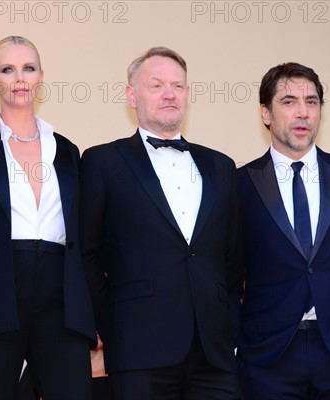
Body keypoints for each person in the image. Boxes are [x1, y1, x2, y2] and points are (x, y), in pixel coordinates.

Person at [80, 47, 242, 400]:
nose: (170, 93)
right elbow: (86, 253)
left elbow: (232, 257)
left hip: (214, 352)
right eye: (156, 85)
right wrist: (111, 321)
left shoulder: (222, 167)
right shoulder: (102, 162)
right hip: (137, 345)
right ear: (131, 96)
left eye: (178, 86)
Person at [0, 36, 95, 399]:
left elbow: (83, 233)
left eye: (28, 68)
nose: (19, 78)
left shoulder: (68, 151)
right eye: (7, 70)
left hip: (62, 299)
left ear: (41, 76)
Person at [236, 62, 330, 399]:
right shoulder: (239, 185)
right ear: (265, 113)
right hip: (268, 356)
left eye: (312, 102)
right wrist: (237, 342)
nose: (303, 112)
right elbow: (226, 275)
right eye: (288, 102)